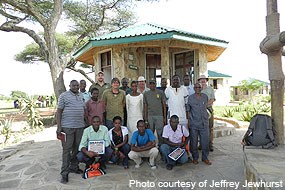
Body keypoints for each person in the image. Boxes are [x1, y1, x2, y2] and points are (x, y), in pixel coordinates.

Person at [56, 80, 86, 184]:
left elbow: (84, 109)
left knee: (77, 149)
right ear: (70, 86)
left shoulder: (81, 95)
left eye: (77, 85)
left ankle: (74, 167)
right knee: (67, 150)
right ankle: (64, 173)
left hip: (80, 127)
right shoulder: (63, 96)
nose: (76, 87)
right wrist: (59, 127)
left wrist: (86, 123)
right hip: (67, 127)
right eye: (74, 85)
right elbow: (59, 112)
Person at [186, 83, 212, 165]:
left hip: (204, 123)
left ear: (201, 88)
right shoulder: (190, 98)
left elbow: (206, 107)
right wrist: (189, 121)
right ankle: (195, 158)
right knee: (193, 142)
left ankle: (205, 158)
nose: (198, 88)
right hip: (194, 123)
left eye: (199, 87)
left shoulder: (205, 96)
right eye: (196, 87)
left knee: (205, 142)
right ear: (194, 88)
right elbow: (188, 111)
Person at [143, 78, 167, 145]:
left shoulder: (160, 92)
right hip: (150, 116)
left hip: (159, 115)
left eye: (153, 83)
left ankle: (161, 146)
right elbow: (145, 106)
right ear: (148, 85)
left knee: (160, 133)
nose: (152, 85)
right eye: (151, 83)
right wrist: (145, 119)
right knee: (150, 133)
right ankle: (150, 146)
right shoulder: (146, 94)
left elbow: (164, 105)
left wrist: (164, 117)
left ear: (156, 84)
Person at [198, 75, 216, 152]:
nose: (203, 81)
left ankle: (210, 144)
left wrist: (205, 105)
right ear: (199, 81)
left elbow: (213, 99)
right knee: (201, 127)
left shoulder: (210, 89)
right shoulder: (197, 89)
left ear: (206, 81)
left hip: (209, 109)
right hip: (199, 111)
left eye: (204, 80)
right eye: (201, 80)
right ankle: (201, 144)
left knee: (210, 127)